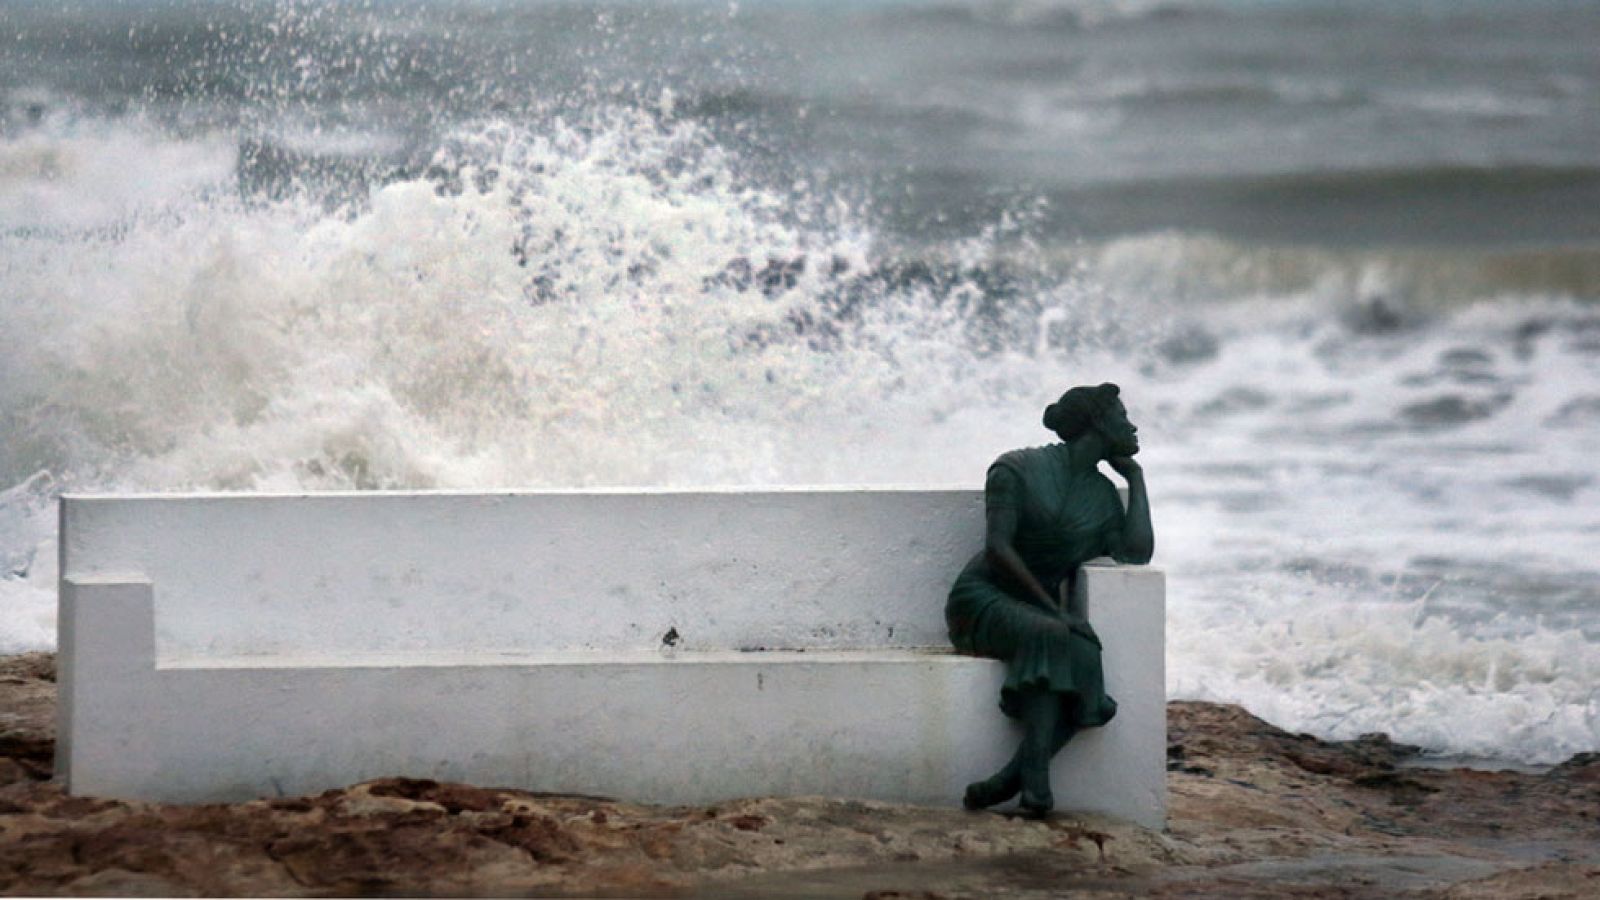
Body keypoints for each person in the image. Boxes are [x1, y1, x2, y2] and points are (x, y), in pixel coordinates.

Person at [946, 383, 1153, 817]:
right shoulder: (1017, 468)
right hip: (983, 599)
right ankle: (1036, 786)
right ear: (1098, 423)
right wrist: (1053, 608)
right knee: (1052, 633)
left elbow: (1137, 552)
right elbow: (998, 549)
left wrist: (1135, 479)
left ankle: (1010, 779)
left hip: (1040, 610)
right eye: (1122, 417)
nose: (1132, 426)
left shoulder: (1101, 497)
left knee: (1084, 653)